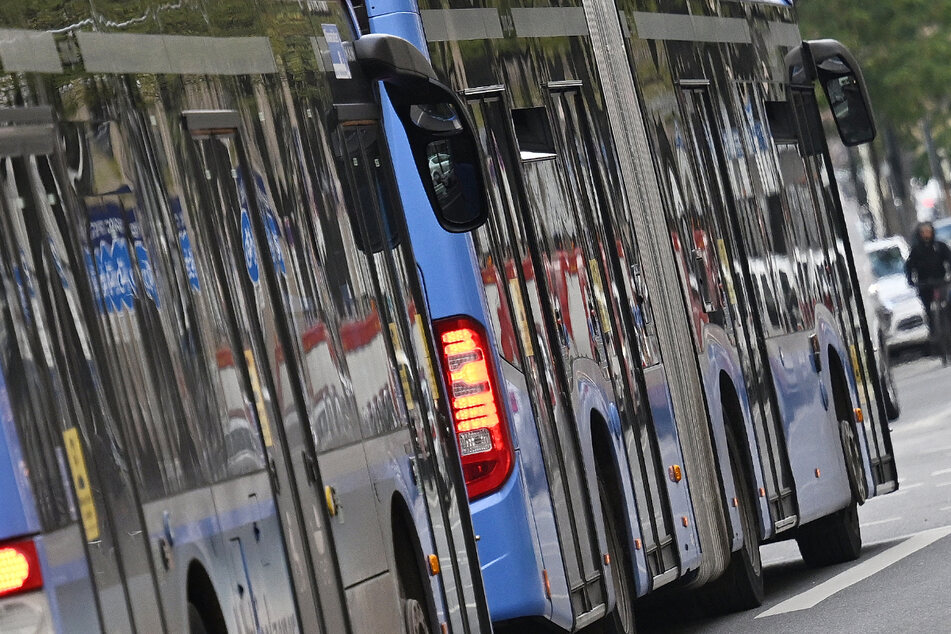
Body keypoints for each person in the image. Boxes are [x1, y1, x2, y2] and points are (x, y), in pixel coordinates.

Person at [905, 221, 951, 333]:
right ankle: (933, 329)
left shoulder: (940, 246)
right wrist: (910, 280)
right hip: (924, 284)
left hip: (940, 281)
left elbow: (949, 259)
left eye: (928, 232)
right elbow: (909, 266)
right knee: (928, 309)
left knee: (947, 305)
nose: (926, 234)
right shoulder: (916, 250)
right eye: (923, 232)